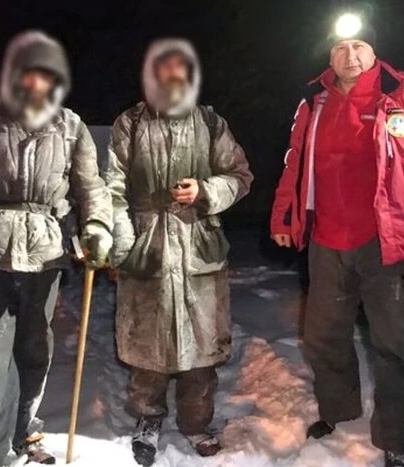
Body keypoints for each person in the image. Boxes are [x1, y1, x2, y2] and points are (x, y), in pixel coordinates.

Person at [270, 14, 404, 467]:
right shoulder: (313, 102)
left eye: (358, 46)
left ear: (374, 52)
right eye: (340, 48)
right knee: (322, 336)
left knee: (395, 344)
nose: (350, 56)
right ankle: (339, 410)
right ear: (329, 56)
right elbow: (295, 164)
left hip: (390, 242)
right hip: (328, 241)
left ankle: (399, 441)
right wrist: (284, 216)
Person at [0, 30, 113, 467]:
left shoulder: (71, 127)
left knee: (36, 348)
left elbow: (91, 187)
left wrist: (96, 229)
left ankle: (25, 430)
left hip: (48, 254)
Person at [106, 38, 253, 466]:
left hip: (199, 246)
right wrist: (120, 240)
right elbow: (111, 186)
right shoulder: (130, 122)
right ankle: (148, 419)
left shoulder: (210, 122)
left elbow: (239, 175)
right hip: (146, 243)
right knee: (147, 346)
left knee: (202, 345)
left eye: (179, 70)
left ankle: (196, 422)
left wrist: (205, 190)